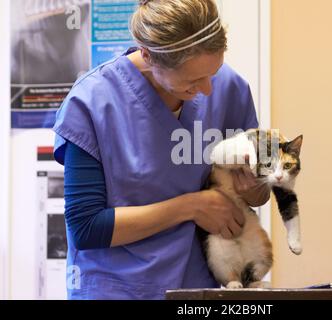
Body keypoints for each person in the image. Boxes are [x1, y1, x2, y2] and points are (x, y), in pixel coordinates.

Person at [53, 0, 270, 300]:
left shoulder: (230, 88)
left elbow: (257, 196)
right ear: (148, 56)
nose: (208, 89)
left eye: (214, 71)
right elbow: (86, 228)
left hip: (196, 292)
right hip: (117, 289)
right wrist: (192, 206)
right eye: (192, 81)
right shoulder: (92, 102)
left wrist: (255, 187)